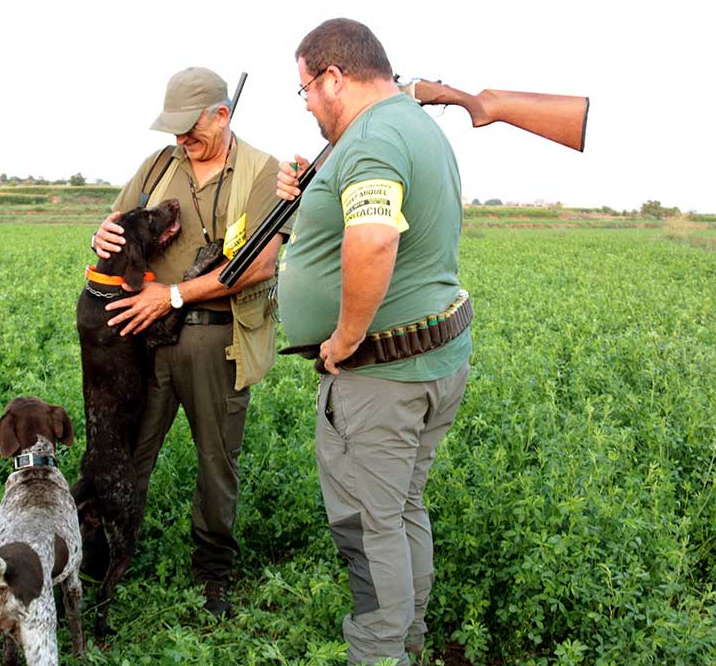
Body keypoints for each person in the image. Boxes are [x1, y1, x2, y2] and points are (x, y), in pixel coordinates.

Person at [275, 19, 472, 666]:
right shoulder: (411, 125)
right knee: (403, 511)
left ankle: (378, 652)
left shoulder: (376, 136)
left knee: (367, 527)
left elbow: (376, 236)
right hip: (429, 363)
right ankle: (408, 638)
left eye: (305, 89)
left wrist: (344, 339)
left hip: (380, 376)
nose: (306, 104)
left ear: (334, 77)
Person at [90, 66, 285, 615]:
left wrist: (173, 296)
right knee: (128, 457)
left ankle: (213, 576)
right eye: (173, 129)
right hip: (144, 340)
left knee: (216, 464)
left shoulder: (261, 170)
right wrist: (100, 232)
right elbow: (117, 224)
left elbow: (260, 265)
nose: (180, 141)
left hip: (216, 339)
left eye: (191, 128)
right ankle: (107, 565)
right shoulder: (158, 165)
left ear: (221, 115)